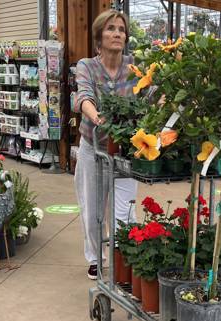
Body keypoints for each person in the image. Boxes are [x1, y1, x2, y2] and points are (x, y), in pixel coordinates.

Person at [73, 10, 138, 280]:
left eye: (121, 29)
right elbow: (83, 96)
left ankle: (126, 257)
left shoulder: (134, 66)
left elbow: (152, 91)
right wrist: (97, 118)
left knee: (125, 210)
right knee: (93, 209)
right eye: (111, 28)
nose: (117, 33)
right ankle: (95, 257)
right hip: (94, 147)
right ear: (100, 36)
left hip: (125, 150)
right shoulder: (87, 65)